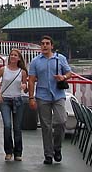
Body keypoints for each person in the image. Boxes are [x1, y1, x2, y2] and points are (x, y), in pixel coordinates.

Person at [28, 35, 73, 165]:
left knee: (61, 121)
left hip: (58, 95)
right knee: (46, 126)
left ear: (52, 46)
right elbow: (31, 80)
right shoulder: (36, 61)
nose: (45, 46)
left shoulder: (60, 58)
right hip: (42, 96)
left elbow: (69, 73)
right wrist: (31, 97)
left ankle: (57, 148)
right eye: (42, 44)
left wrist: (63, 77)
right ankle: (48, 154)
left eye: (47, 43)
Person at [0, 49, 28, 161]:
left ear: (19, 58)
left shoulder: (22, 72)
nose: (12, 56)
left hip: (18, 100)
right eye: (11, 55)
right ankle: (8, 151)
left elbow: (25, 86)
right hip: (5, 100)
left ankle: (18, 152)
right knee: (7, 125)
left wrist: (24, 86)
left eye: (15, 55)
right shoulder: (3, 70)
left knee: (17, 127)